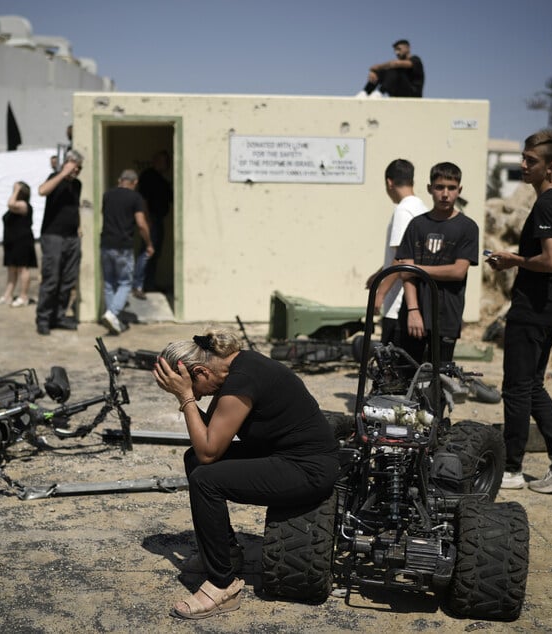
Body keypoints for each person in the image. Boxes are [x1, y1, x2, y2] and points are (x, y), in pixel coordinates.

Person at [152, 328, 340, 620]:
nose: (201, 396)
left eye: (198, 388)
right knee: (194, 461)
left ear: (201, 371)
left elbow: (209, 451)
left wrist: (186, 397)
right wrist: (187, 395)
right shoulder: (236, 368)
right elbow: (207, 439)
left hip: (308, 469)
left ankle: (221, 585)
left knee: (205, 478)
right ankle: (226, 554)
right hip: (283, 455)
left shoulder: (241, 381)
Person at [488, 130, 552, 494]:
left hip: (532, 311)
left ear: (551, 167)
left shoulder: (548, 204)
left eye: (531, 160)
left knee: (515, 389)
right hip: (547, 309)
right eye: (523, 158)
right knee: (531, 386)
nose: (523, 165)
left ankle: (512, 469)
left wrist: (514, 259)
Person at [395, 162, 478, 365]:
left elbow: (458, 271)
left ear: (459, 190)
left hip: (447, 315)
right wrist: (413, 311)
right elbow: (406, 274)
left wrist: (417, 269)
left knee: (439, 379)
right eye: (440, 187)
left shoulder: (468, 227)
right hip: (415, 314)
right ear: (429, 188)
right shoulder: (417, 225)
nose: (445, 194)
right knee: (406, 377)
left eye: (451, 188)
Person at [365, 159, 428, 345]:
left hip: (397, 304)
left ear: (389, 183)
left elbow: (401, 259)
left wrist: (380, 293)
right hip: (413, 301)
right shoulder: (421, 208)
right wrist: (379, 273)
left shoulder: (403, 210)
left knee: (392, 368)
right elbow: (403, 252)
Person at [35, 150, 84, 336]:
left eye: (79, 168)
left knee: (68, 279)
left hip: (72, 237)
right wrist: (63, 173)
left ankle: (59, 316)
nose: (76, 171)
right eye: (74, 166)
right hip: (53, 235)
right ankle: (43, 318)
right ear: (67, 163)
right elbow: (42, 191)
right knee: (51, 278)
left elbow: (75, 207)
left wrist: (78, 227)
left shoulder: (77, 185)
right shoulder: (54, 178)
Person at [99, 169, 153, 334]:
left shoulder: (107, 195)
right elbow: (141, 223)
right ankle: (112, 313)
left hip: (106, 244)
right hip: (123, 246)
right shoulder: (135, 198)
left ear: (119, 180)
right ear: (135, 182)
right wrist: (149, 243)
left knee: (109, 283)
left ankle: (113, 319)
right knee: (125, 283)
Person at [133, 150, 173, 298]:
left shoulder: (161, 179)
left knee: (154, 253)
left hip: (158, 219)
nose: (167, 164)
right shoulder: (148, 176)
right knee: (147, 252)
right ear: (156, 161)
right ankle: (138, 286)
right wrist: (147, 219)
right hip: (151, 220)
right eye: (165, 161)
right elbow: (143, 199)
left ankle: (149, 284)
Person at [0, 181, 37, 307]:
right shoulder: (16, 205)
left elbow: (10, 204)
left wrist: (17, 190)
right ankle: (7, 295)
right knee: (11, 268)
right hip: (11, 242)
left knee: (22, 268)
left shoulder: (23, 205)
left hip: (22, 241)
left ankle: (23, 296)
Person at [360, 39, 424, 98]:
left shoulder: (416, 60)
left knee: (393, 69)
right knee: (382, 71)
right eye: (395, 50)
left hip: (412, 94)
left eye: (399, 49)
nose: (397, 53)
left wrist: (377, 68)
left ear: (407, 48)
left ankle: (379, 93)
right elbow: (391, 65)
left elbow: (395, 64)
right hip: (398, 92)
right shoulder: (396, 64)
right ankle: (364, 93)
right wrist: (374, 71)